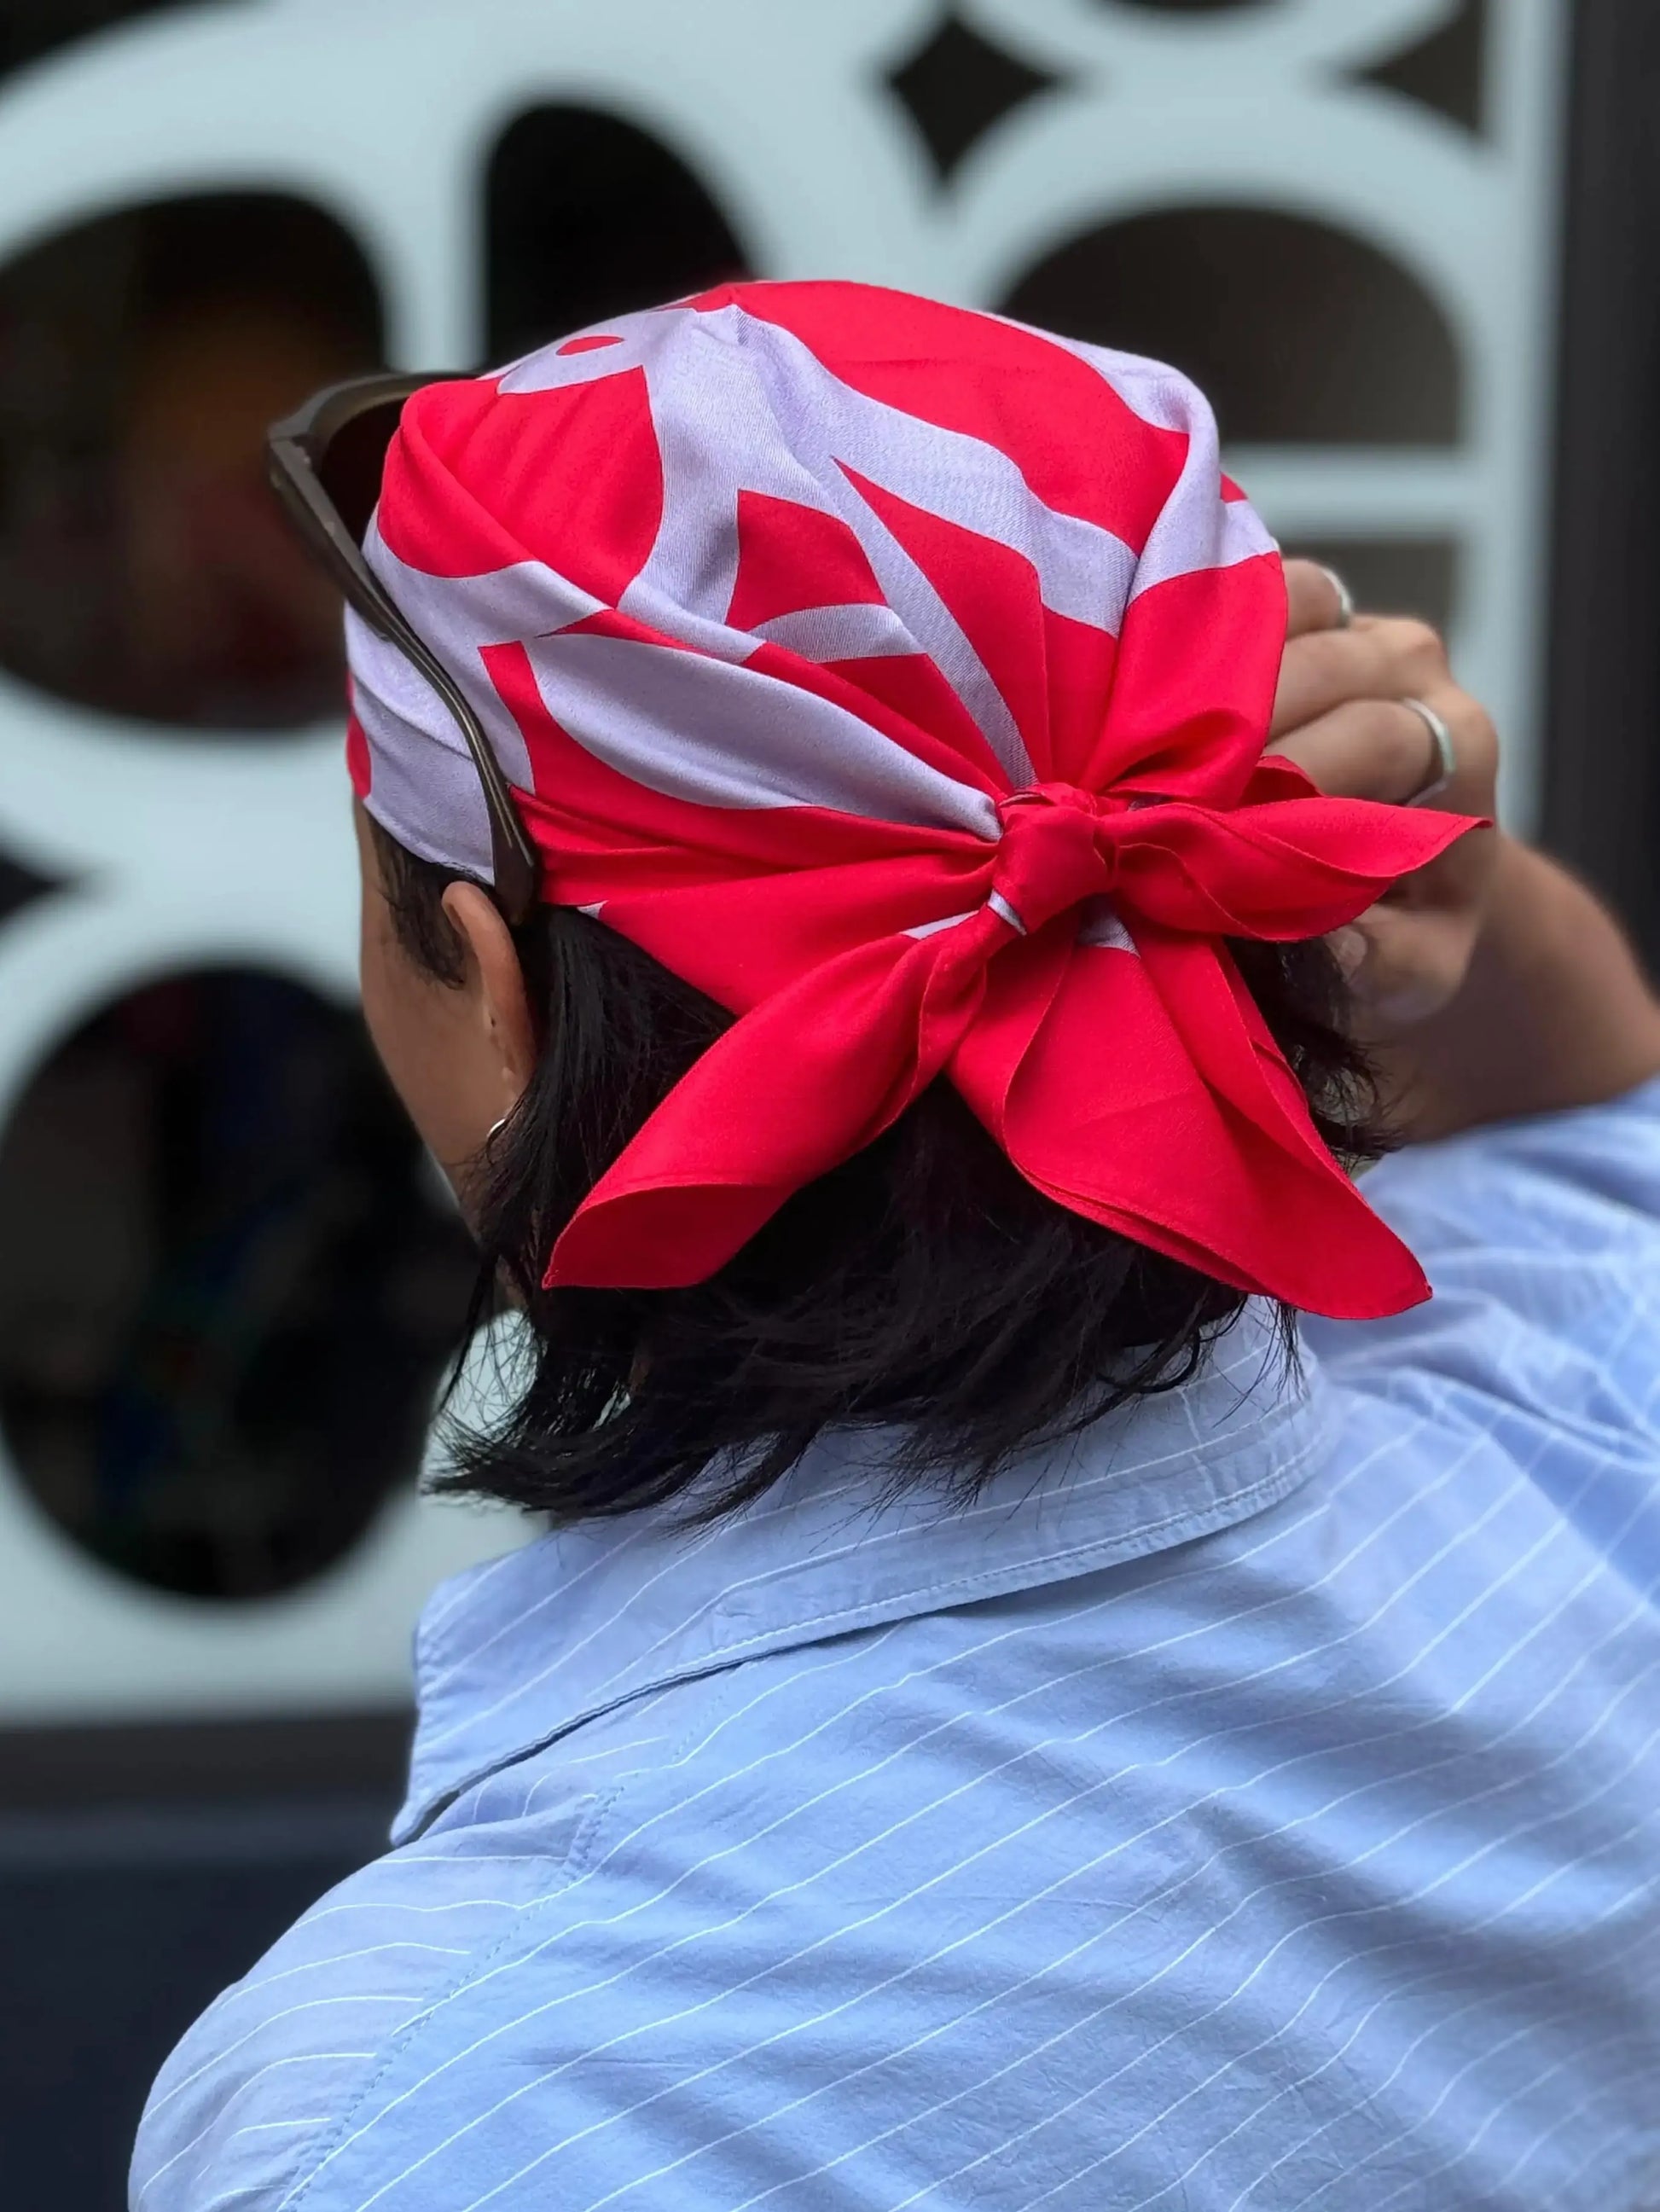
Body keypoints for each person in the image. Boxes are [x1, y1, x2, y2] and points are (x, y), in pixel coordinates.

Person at [133, 283, 1660, 2210]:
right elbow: (1595, 1135)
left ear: (496, 1000)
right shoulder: (1582, 1458)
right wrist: (1459, 886)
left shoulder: (435, 2109)